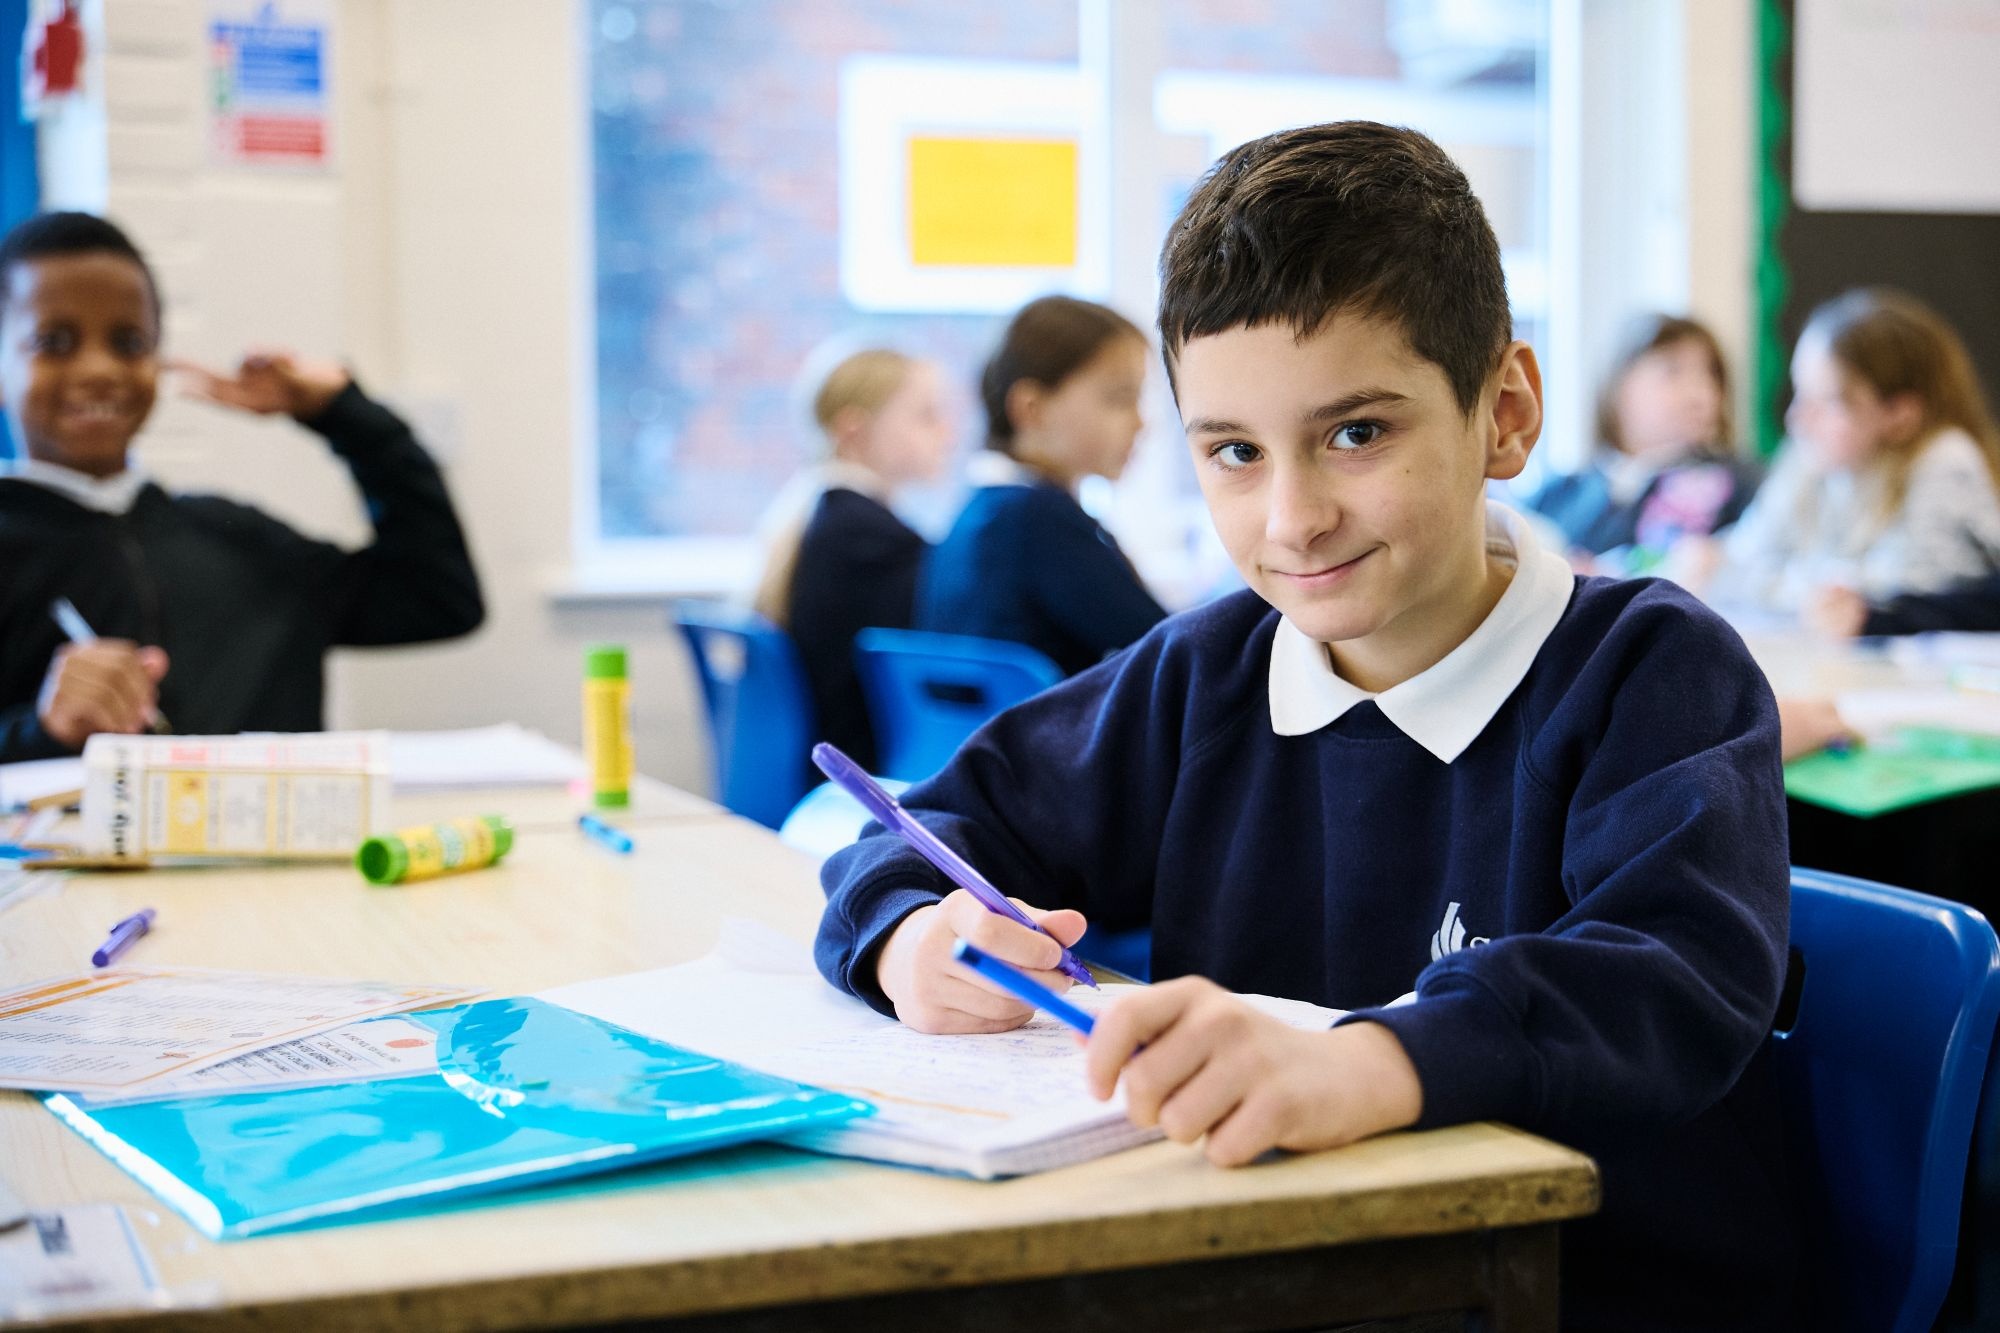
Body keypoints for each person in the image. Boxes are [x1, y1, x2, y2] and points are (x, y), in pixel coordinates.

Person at [816, 123, 1799, 1329]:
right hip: (1271, 1270)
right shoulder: (1205, 673)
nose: (1291, 518)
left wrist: (1363, 1064)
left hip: (1568, 1285)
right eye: (1233, 453)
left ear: (1503, 412)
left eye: (1355, 434)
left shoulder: (1649, 669)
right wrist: (910, 938)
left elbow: (1674, 976)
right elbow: (923, 824)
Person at [0, 212, 483, 762]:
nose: (99, 368)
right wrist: (39, 731)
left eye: (129, 342)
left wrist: (345, 416)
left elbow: (439, 598)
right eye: (54, 342)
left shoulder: (241, 541)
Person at [1707, 288, 2000, 616]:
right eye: (1801, 393)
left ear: (1900, 414)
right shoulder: (1810, 457)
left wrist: (1765, 580)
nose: (1797, 419)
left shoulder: (1946, 461)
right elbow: (1740, 555)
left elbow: (1894, 590)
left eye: (1829, 401)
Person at [916, 296, 1166, 675]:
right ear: (1031, 409)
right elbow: (1168, 645)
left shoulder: (980, 509)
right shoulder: (1036, 518)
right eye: (1118, 398)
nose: (1141, 423)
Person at [750, 346, 954, 773]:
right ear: (854, 431)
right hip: (865, 773)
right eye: (925, 416)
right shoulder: (864, 538)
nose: (946, 433)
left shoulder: (824, 516)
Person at [1526, 313, 1759, 561]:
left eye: (1711, 374)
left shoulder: (1746, 487)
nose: (1700, 393)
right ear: (1619, 385)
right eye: (1672, 371)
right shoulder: (1556, 496)